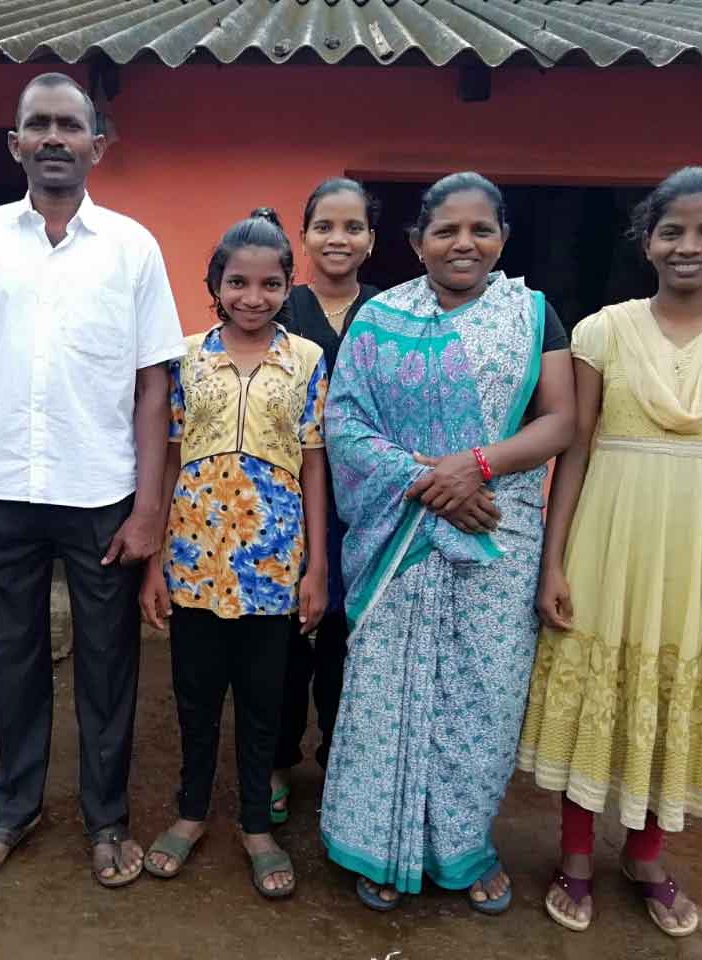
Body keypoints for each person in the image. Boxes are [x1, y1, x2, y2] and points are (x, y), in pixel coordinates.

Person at [518, 167, 702, 938]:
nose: (689, 245)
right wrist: (555, 559)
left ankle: (647, 854)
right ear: (646, 241)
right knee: (596, 683)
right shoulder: (602, 331)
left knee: (676, 687)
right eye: (671, 230)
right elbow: (573, 450)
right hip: (611, 530)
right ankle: (574, 854)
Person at [0, 72, 185, 889]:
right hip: (3, 491)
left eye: (71, 125)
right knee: (14, 658)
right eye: (39, 125)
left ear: (98, 145)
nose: (55, 138)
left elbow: (153, 388)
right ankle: (13, 806)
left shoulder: (133, 247)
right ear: (15, 144)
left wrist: (149, 510)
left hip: (102, 495)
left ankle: (105, 819)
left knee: (107, 666)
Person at [319, 173, 575, 912]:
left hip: (498, 533)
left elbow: (559, 421)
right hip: (401, 534)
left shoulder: (532, 315)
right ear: (416, 242)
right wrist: (430, 483)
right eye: (446, 231)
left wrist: (478, 467)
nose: (464, 243)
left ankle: (463, 846)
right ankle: (379, 844)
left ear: (502, 237)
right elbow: (345, 425)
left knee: (481, 699)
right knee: (383, 696)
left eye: (481, 230)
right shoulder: (378, 319)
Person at [139, 209, 329, 899]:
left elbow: (314, 464)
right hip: (193, 553)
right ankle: (190, 814)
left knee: (262, 700)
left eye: (271, 283)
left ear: (287, 287)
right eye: (238, 282)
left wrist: (317, 567)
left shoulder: (305, 359)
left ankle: (256, 825)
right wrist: (155, 559)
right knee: (194, 695)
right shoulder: (185, 356)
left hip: (274, 560)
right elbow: (163, 457)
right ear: (215, 284)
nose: (254, 296)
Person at [270, 178, 380, 824]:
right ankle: (277, 758)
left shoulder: (393, 312)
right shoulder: (280, 309)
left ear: (372, 239)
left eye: (354, 227)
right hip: (288, 506)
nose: (338, 239)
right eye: (325, 226)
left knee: (351, 643)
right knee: (286, 645)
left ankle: (343, 758)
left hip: (369, 510)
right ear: (304, 234)